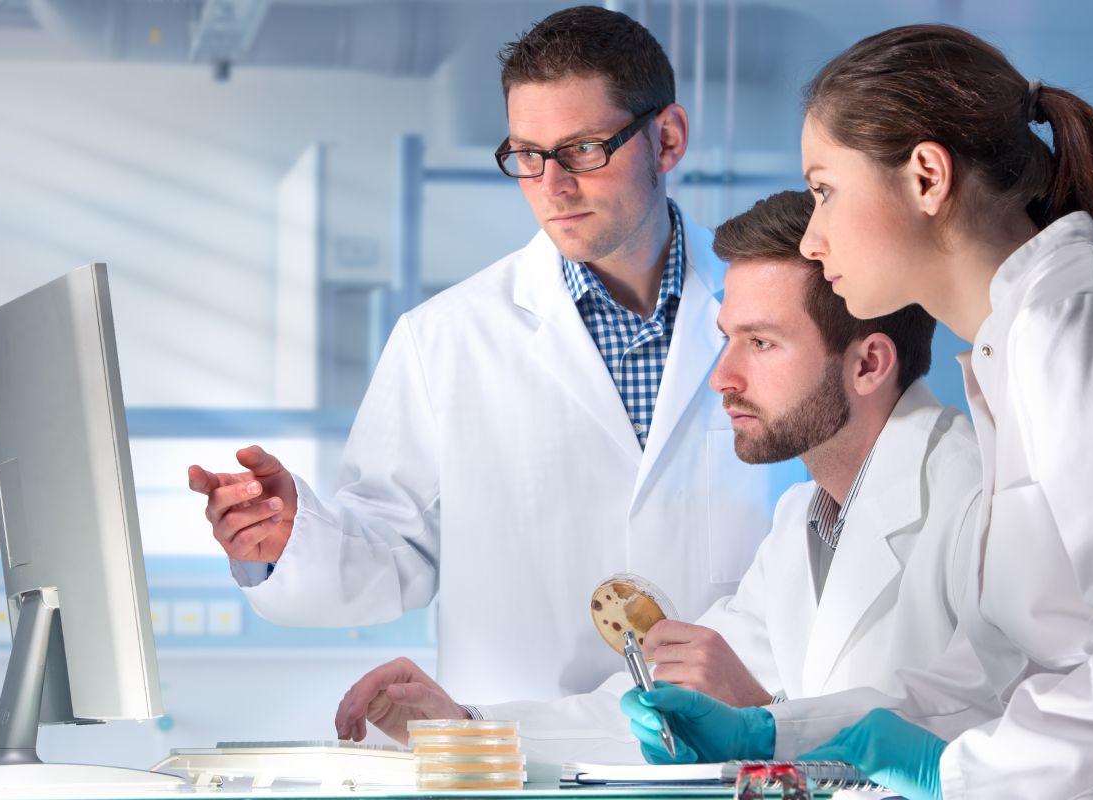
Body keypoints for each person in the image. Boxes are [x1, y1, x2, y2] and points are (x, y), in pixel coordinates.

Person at [626, 23, 1093, 800]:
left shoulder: (1076, 321)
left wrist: (952, 773)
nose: (812, 236)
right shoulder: (1014, 348)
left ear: (927, 178)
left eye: (824, 190)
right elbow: (996, 678)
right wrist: (779, 731)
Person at [185, 6, 768, 705]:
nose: (552, 187)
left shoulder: (781, 314)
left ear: (666, 139)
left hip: (745, 747)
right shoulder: (444, 341)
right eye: (528, 155)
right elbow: (394, 545)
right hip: (524, 759)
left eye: (584, 149)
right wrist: (289, 542)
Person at [331, 191, 997, 765]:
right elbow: (662, 709)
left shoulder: (978, 501)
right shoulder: (803, 523)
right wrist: (462, 728)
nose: (722, 377)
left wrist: (767, 725)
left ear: (869, 363)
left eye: (761, 344)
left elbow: (1011, 740)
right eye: (727, 338)